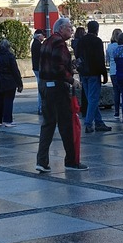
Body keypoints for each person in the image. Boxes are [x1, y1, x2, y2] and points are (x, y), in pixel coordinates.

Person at [35, 17, 87, 173]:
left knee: (48, 124)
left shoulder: (47, 42)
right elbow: (58, 67)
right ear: (61, 28)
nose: (71, 30)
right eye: (69, 27)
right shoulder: (59, 43)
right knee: (66, 124)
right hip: (57, 88)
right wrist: (72, 80)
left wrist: (72, 65)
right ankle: (71, 161)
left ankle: (42, 161)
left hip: (45, 86)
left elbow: (51, 65)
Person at [77, 20, 111, 133]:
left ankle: (99, 122)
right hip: (94, 72)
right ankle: (88, 123)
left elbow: (77, 56)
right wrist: (104, 74)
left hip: (84, 73)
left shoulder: (81, 41)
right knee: (94, 99)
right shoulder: (97, 41)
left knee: (90, 98)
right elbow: (100, 59)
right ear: (97, 29)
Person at [0, 38, 24, 127]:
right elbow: (15, 71)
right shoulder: (10, 56)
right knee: (8, 101)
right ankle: (7, 120)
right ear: (8, 47)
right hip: (9, 81)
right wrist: (19, 83)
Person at [105, 27, 123, 120]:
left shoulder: (109, 47)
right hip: (120, 70)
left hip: (112, 71)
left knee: (116, 92)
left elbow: (107, 59)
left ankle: (116, 112)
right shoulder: (120, 47)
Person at [30, 29, 45, 115]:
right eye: (42, 35)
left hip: (35, 68)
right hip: (39, 68)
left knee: (40, 87)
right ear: (39, 36)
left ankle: (40, 107)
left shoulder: (34, 44)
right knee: (41, 89)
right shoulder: (38, 45)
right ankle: (41, 108)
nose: (44, 36)